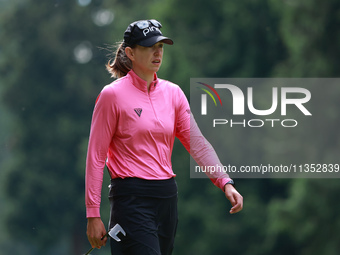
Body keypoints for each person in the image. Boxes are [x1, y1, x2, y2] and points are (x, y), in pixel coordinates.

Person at [85, 19, 243, 255]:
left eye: (160, 46)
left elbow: (197, 143)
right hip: (131, 199)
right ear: (130, 52)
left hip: (167, 198)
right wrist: (92, 213)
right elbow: (96, 157)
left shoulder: (173, 93)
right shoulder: (112, 96)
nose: (157, 52)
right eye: (150, 47)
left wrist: (225, 181)